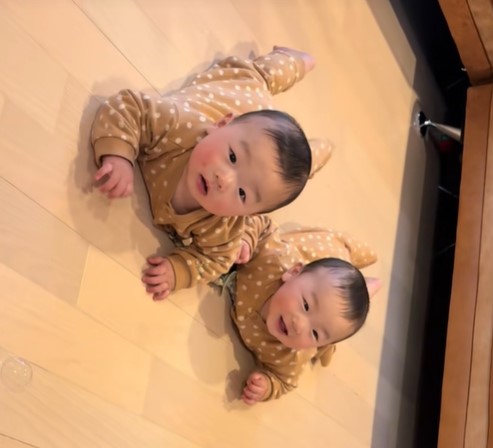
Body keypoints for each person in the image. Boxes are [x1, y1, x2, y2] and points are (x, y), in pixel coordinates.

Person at [91, 46, 331, 300]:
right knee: (264, 75)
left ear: (249, 214)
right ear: (221, 125)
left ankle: (320, 152)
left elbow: (215, 261)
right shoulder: (178, 126)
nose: (223, 179)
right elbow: (129, 107)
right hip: (240, 91)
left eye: (242, 193)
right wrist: (120, 154)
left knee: (298, 167)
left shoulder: (224, 227)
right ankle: (297, 60)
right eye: (232, 157)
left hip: (258, 140)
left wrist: (179, 270)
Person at [227, 215, 380, 404]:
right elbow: (262, 225)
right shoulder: (272, 260)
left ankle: (370, 288)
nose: (299, 326)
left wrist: (267, 386)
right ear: (293, 273)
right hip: (326, 250)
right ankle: (368, 283)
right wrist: (246, 240)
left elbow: (284, 382)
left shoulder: (290, 355)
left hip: (328, 302)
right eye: (306, 305)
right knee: (343, 248)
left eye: (315, 333)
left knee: (347, 308)